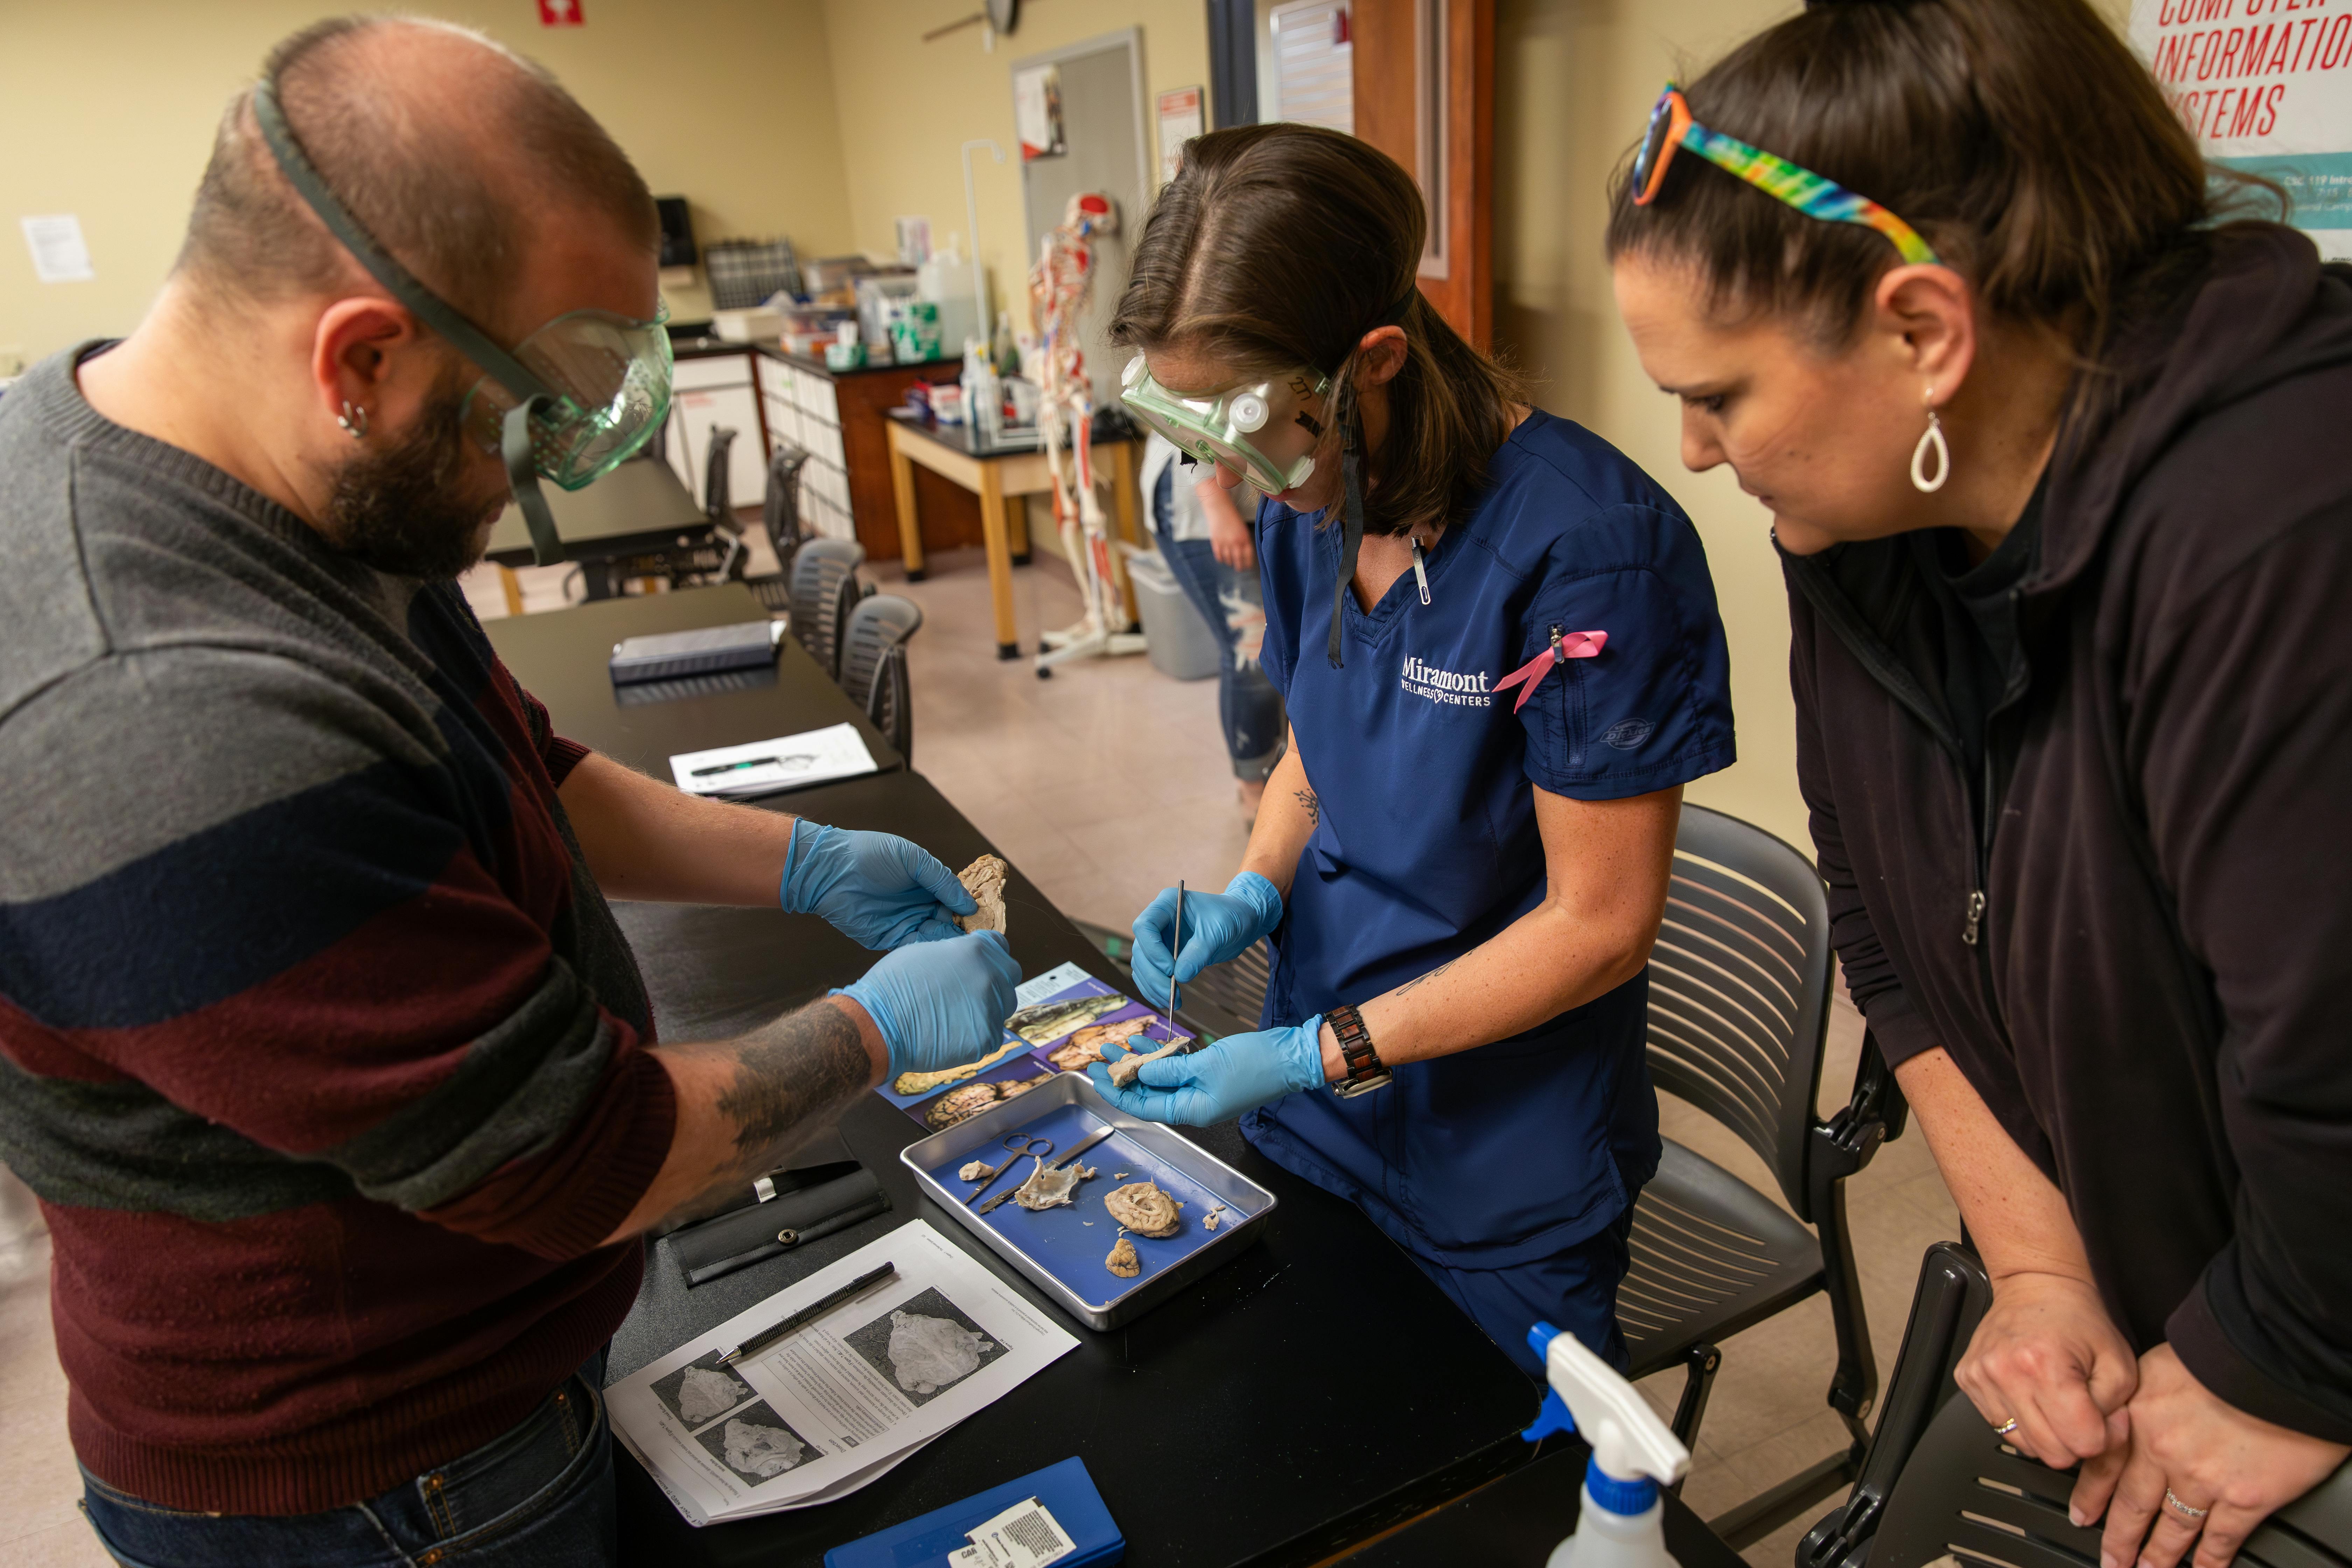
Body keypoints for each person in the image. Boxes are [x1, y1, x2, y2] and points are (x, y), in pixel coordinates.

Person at [0, 19, 1017, 1565]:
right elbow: (580, 1161)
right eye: (525, 425)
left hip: (482, 1341)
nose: (528, 487)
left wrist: (802, 857)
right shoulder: (159, 708)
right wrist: (876, 1026)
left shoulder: (260, 471)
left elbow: (505, 759)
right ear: (358, 358)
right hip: (386, 1464)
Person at [1604, 0, 2352, 1563]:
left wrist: (2275, 1354)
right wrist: (2035, 1264)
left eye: (1718, 395)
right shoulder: (1864, 529)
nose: (1687, 448)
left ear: (1922, 334)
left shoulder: (2279, 523)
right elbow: (1877, 915)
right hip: (2176, 1283)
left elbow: (2331, 1047)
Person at [1097, 124, 1737, 1376]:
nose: (1248, 483)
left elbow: (1599, 923)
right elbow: (1314, 746)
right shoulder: (1310, 502)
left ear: (1372, 360)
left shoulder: (1588, 548)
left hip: (1499, 1157)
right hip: (1312, 1108)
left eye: (1263, 438)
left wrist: (1316, 1050)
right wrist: (1250, 888)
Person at [1139, 430, 1287, 812]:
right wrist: (1216, 503)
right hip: (1203, 504)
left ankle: (1287, 780)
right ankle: (1253, 787)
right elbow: (1176, 416)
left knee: (1291, 650)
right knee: (1251, 655)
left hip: (1276, 496)